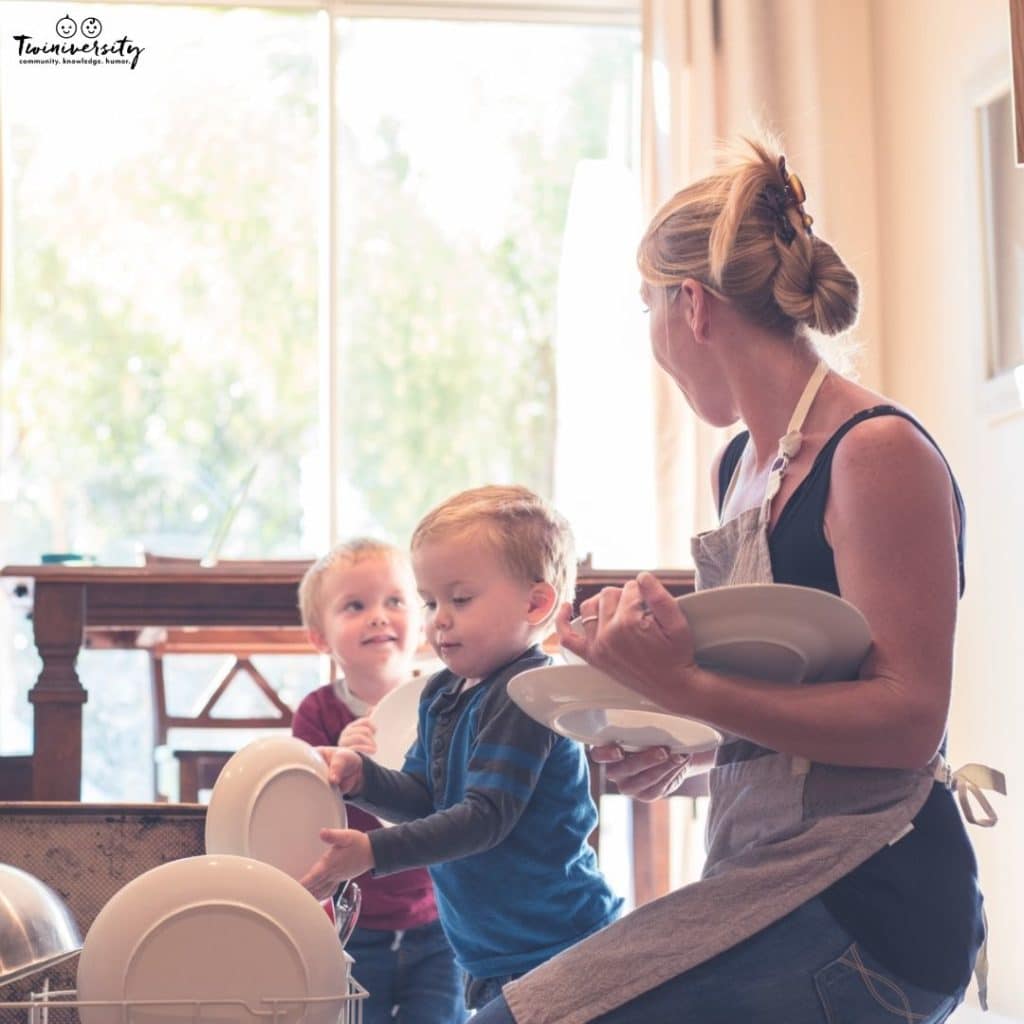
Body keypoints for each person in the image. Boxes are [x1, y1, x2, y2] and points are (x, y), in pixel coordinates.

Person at [468, 136, 996, 1024]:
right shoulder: (742, 466)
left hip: (875, 909)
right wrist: (693, 755)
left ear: (693, 306)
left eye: (648, 304)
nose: (652, 336)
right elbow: (807, 740)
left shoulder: (875, 454)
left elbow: (906, 722)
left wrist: (682, 684)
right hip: (778, 877)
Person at [299, 486, 623, 1013]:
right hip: (494, 952)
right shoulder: (443, 693)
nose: (439, 619)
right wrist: (364, 779)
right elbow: (425, 797)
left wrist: (372, 853)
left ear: (536, 603)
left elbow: (484, 819)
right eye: (431, 601)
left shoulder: (528, 694)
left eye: (461, 599)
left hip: (561, 946)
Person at [294, 538, 467, 1024]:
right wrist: (333, 765)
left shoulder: (445, 700)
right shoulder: (318, 712)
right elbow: (298, 810)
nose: (378, 615)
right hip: (353, 921)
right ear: (320, 639)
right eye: (356, 605)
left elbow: (461, 802)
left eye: (395, 601)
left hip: (438, 917)